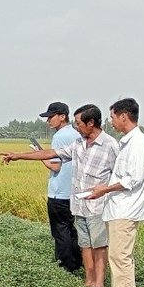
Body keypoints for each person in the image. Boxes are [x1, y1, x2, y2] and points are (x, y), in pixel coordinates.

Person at [0, 104, 118, 287]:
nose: (76, 127)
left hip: (98, 205)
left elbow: (120, 176)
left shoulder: (111, 145)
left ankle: (99, 283)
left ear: (91, 123)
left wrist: (106, 191)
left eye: (78, 123)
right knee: (84, 244)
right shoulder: (78, 143)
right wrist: (18, 156)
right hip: (79, 204)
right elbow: (51, 154)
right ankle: (89, 281)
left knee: (99, 245)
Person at [85, 98, 144, 287]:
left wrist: (104, 189)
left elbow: (133, 178)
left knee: (121, 257)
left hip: (126, 210)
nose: (111, 122)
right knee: (118, 256)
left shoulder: (138, 143)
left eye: (113, 117)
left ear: (124, 116)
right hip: (119, 209)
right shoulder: (128, 142)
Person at [38, 101, 83, 274]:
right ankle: (77, 262)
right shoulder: (76, 134)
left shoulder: (59, 137)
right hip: (73, 192)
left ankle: (65, 268)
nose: (48, 120)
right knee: (71, 229)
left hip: (59, 194)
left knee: (60, 231)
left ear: (62, 116)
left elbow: (55, 166)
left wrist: (40, 155)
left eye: (51, 117)